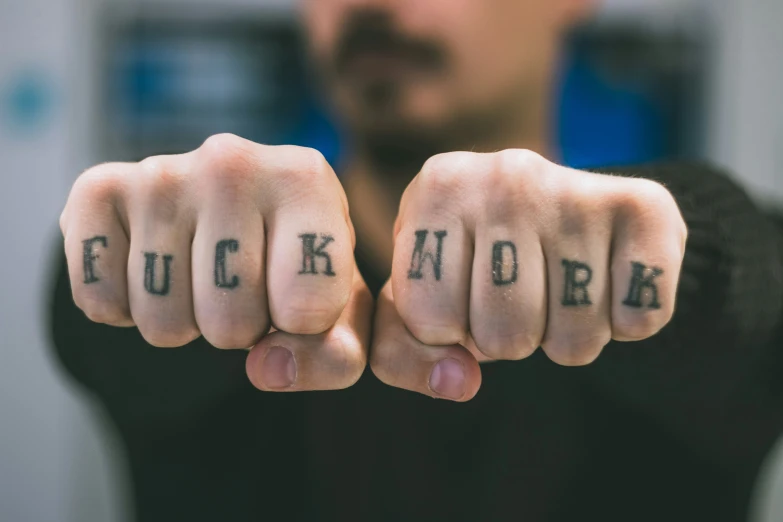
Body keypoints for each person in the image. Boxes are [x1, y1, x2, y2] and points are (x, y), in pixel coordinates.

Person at [51, 1, 783, 521]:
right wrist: (145, 254)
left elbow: (755, 304)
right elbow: (98, 328)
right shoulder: (197, 289)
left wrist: (681, 260)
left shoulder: (721, 309)